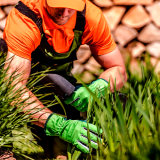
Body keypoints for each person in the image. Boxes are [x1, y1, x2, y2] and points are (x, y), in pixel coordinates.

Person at [3, 0, 127, 159]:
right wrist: (58, 125)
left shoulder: (91, 17)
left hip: (57, 86)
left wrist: (98, 87)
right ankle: (3, 152)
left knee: (61, 154)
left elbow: (119, 70)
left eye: (72, 7)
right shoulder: (26, 18)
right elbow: (13, 87)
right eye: (59, 4)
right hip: (19, 87)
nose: (65, 12)